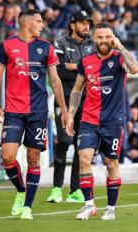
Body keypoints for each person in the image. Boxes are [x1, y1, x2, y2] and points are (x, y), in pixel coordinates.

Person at [0, 9, 68, 220]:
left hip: (38, 111)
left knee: (34, 158)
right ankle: (20, 190)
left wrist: (63, 110)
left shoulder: (46, 47)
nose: (42, 25)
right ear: (27, 24)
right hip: (14, 111)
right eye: (39, 21)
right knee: (7, 156)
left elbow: (55, 81)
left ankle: (27, 207)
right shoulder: (7, 46)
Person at [66, 22, 138, 220]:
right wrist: (71, 115)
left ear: (113, 37)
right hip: (89, 120)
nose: (104, 40)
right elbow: (77, 89)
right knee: (83, 159)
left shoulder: (119, 59)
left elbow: (135, 68)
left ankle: (110, 209)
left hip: (112, 122)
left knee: (111, 164)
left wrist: (120, 45)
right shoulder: (86, 61)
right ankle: (89, 205)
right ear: (94, 39)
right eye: (100, 37)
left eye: (108, 37)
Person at [47, 10, 95, 204]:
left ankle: (74, 190)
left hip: (87, 100)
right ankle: (57, 188)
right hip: (64, 99)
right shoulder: (59, 43)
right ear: (72, 24)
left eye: (88, 23)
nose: (86, 27)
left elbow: (95, 71)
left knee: (81, 146)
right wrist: (81, 68)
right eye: (82, 23)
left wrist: (72, 66)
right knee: (65, 141)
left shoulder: (93, 45)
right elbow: (57, 72)